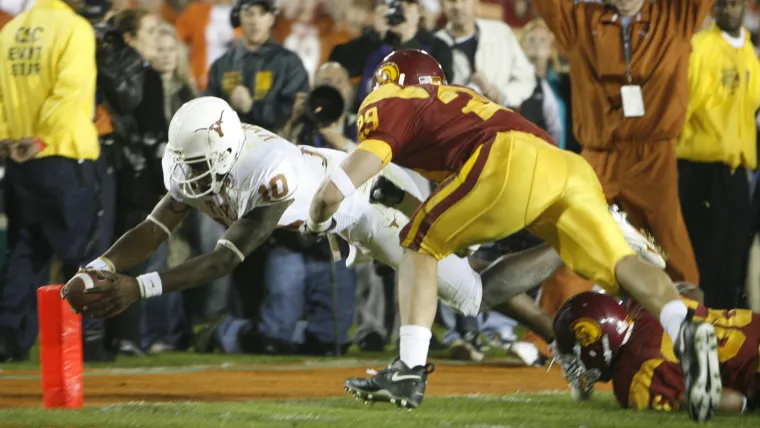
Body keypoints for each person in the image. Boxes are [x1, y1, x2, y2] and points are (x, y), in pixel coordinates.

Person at [305, 49, 721, 421]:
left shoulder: (391, 99)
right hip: (563, 165)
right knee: (621, 265)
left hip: (506, 159)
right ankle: (683, 324)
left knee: (416, 243)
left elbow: (348, 177)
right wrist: (408, 206)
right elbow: (463, 242)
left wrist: (321, 209)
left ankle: (408, 371)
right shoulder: (457, 103)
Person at [67, 97, 545, 349]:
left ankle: (577, 234)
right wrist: (99, 265)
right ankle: (558, 334)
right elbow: (154, 228)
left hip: (377, 203)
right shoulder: (206, 158)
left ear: (227, 153)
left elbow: (222, 260)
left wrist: (138, 288)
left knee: (471, 294)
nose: (189, 178)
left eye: (197, 166)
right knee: (466, 271)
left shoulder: (268, 168)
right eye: (184, 163)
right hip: (345, 211)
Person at [0, 0, 103, 362]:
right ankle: (86, 341)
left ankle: (10, 339)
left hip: (18, 161)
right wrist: (41, 138)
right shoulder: (73, 28)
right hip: (61, 155)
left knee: (25, 253)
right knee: (83, 254)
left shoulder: (11, 31)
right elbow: (69, 90)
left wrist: (7, 138)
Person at [677, 0, 760, 310]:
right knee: (705, 258)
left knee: (734, 255)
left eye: (734, 4)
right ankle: (700, 329)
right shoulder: (699, 48)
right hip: (702, 167)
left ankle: (729, 337)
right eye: (721, 5)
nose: (727, 10)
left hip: (738, 169)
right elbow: (681, 105)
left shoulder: (749, 52)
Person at [553, 289, 757, 414]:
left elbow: (730, 400)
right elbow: (692, 290)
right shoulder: (643, 305)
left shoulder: (635, 377)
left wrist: (748, 403)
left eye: (575, 352)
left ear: (598, 345)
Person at [204, 0, 308, 132]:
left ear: (272, 18)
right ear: (237, 17)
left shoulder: (289, 63)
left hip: (276, 146)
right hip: (230, 148)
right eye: (249, 13)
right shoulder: (222, 65)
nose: (255, 21)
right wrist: (228, 105)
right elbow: (207, 112)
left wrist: (252, 107)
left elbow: (294, 113)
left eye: (262, 13)